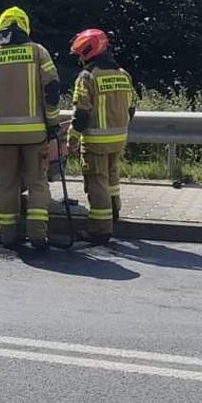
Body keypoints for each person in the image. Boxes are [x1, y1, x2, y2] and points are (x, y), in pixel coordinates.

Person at [0, 6, 61, 252]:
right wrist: (52, 124)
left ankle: (8, 235)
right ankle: (38, 236)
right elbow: (52, 90)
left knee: (6, 185)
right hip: (35, 135)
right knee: (37, 183)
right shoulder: (38, 52)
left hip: (2, 136)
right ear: (25, 26)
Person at [67, 28, 136, 244]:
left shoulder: (87, 77)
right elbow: (131, 108)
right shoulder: (124, 74)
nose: (79, 59)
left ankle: (100, 229)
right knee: (112, 176)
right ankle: (114, 211)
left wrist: (73, 137)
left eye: (80, 54)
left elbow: (82, 112)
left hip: (96, 141)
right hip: (119, 138)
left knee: (97, 182)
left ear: (88, 52)